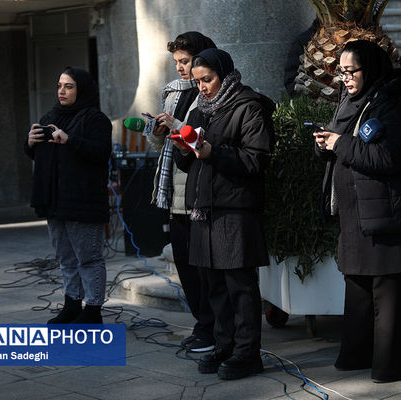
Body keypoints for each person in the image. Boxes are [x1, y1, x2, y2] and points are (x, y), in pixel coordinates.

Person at [314, 40, 401, 383]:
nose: (344, 78)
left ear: (372, 68)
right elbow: (346, 148)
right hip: (355, 213)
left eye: (352, 71)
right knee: (358, 289)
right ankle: (357, 357)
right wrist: (325, 144)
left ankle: (393, 367)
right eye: (341, 71)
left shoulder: (394, 104)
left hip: (385, 216)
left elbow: (388, 158)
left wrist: (340, 143)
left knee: (388, 295)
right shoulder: (350, 102)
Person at [172, 48, 274, 380]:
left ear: (224, 75)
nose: (202, 87)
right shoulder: (199, 111)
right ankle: (224, 344)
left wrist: (214, 153)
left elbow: (256, 159)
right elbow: (189, 162)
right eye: (198, 81)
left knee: (239, 285)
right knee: (214, 285)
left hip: (234, 209)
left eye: (208, 79)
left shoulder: (248, 106)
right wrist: (182, 149)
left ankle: (247, 353)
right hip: (204, 209)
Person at [146, 31, 217, 353]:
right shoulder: (172, 92)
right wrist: (158, 130)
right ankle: (202, 324)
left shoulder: (213, 92)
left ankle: (214, 329)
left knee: (206, 268)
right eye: (176, 62)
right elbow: (158, 145)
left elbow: (206, 140)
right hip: (173, 189)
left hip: (199, 189)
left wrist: (178, 126)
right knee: (185, 265)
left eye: (185, 61)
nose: (180, 68)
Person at [24, 66, 112, 324]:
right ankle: (72, 304)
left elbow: (100, 153)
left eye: (69, 86)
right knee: (65, 258)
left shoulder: (95, 119)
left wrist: (69, 140)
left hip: (83, 200)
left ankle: (93, 310)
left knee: (89, 257)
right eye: (60, 85)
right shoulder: (51, 115)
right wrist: (30, 143)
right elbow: (44, 156)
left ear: (81, 89)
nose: (62, 91)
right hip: (55, 201)